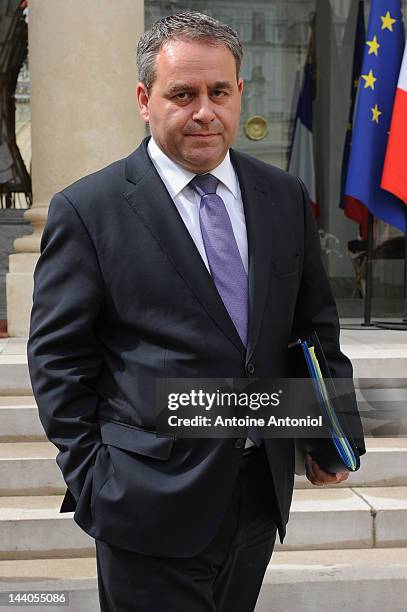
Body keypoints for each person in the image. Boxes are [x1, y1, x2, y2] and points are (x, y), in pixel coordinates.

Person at [27, 11, 366, 612]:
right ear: (144, 99)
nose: (204, 110)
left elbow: (313, 327)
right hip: (145, 501)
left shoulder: (282, 197)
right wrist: (95, 482)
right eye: (182, 94)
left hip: (258, 494)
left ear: (240, 94)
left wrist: (329, 435)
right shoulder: (89, 209)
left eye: (219, 92)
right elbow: (58, 360)